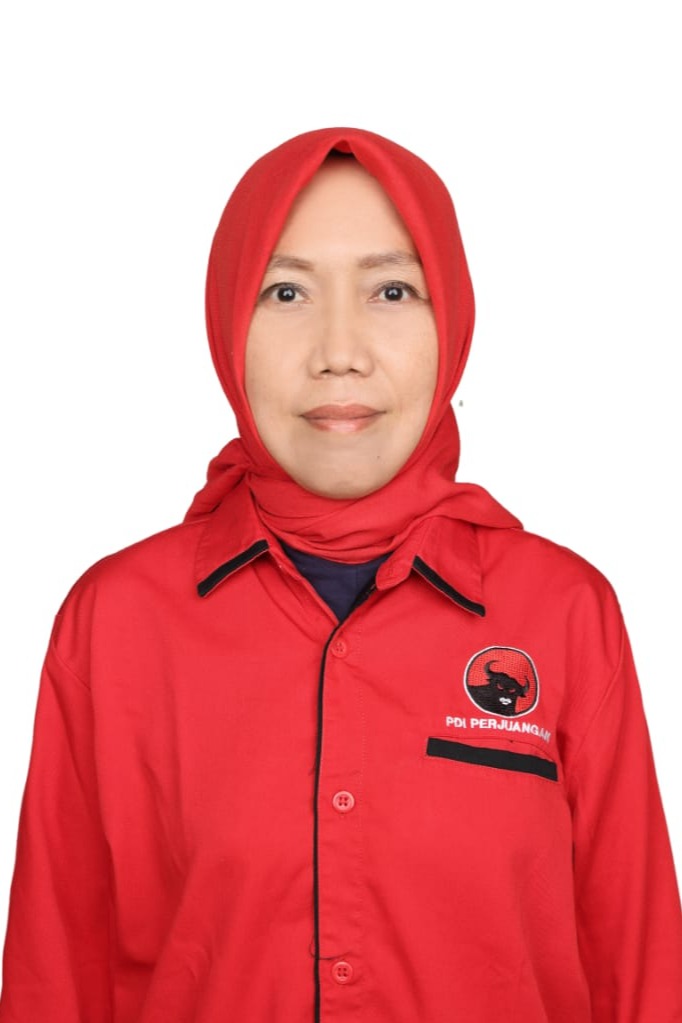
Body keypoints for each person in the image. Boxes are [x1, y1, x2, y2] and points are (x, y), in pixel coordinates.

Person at [0, 126, 680, 1022]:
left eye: (391, 290)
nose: (339, 350)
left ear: (452, 320)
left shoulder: (564, 612)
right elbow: (55, 974)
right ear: (227, 321)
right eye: (285, 291)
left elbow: (640, 971)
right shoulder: (116, 621)